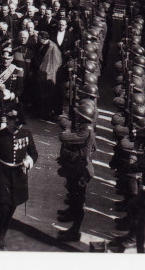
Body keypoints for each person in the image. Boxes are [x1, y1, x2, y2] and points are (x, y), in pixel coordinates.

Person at [0, 108, 37, 250]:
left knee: (12, 206)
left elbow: (34, 153)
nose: (14, 127)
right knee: (3, 207)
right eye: (12, 123)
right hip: (1, 173)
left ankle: (1, 236)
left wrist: (28, 162)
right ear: (8, 121)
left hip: (18, 175)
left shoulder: (26, 134)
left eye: (17, 124)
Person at [55, 103, 96, 242]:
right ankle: (71, 214)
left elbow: (64, 137)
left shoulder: (85, 132)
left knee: (79, 201)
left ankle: (75, 231)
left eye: (79, 115)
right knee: (73, 193)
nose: (77, 116)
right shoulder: (85, 129)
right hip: (77, 167)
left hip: (81, 170)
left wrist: (66, 130)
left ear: (83, 118)